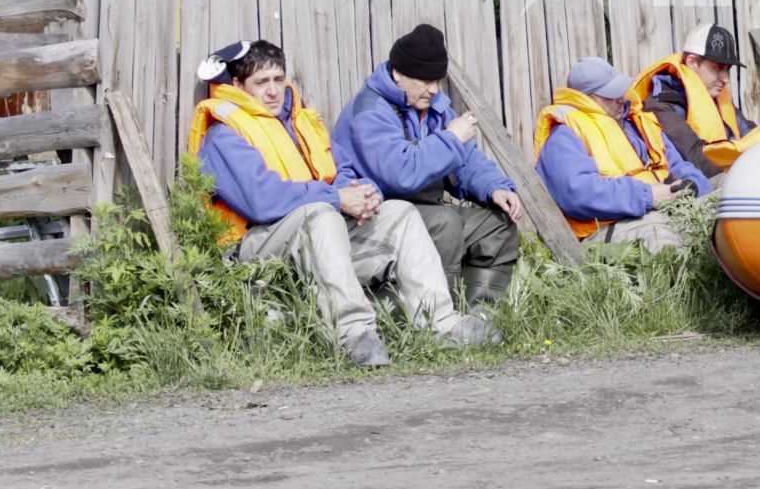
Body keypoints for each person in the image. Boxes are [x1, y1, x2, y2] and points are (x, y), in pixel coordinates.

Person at [189, 39, 498, 367]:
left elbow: (341, 168)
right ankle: (354, 335)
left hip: (315, 233)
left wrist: (364, 193)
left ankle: (440, 324)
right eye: (261, 83)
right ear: (238, 86)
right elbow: (261, 201)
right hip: (255, 246)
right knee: (321, 214)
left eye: (278, 79)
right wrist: (337, 198)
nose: (273, 91)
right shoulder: (224, 135)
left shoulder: (300, 122)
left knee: (400, 212)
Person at [332, 23, 525, 305]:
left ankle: (479, 312)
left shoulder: (433, 107)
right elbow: (401, 174)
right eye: (425, 80)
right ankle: (434, 316)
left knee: (498, 224)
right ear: (398, 73)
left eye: (438, 80)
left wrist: (494, 187)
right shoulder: (369, 111)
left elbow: (467, 159)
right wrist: (451, 138)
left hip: (422, 212)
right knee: (444, 223)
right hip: (375, 221)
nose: (434, 89)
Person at [534, 55, 710, 253]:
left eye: (619, 90)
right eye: (609, 95)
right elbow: (578, 193)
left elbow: (678, 164)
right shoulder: (564, 136)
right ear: (586, 98)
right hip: (611, 228)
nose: (621, 98)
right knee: (664, 244)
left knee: (725, 215)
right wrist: (649, 196)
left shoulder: (637, 120)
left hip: (668, 209)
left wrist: (693, 185)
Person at [628, 22, 760, 181]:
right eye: (718, 68)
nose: (726, 78)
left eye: (727, 69)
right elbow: (696, 157)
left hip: (731, 173)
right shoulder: (662, 104)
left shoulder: (716, 97)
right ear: (693, 63)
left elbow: (750, 134)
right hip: (698, 185)